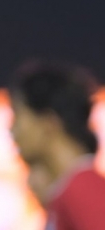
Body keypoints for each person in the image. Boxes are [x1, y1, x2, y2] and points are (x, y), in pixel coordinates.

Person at [8, 59, 105, 230]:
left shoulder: (84, 191)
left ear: (48, 123)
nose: (12, 130)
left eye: (18, 115)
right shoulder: (67, 194)